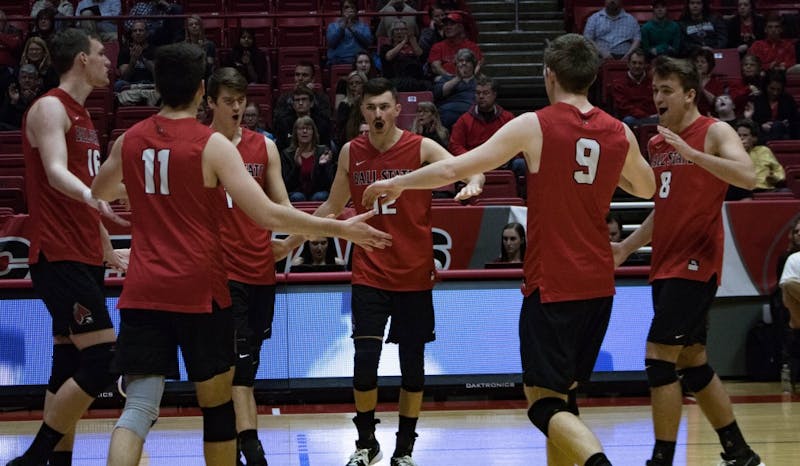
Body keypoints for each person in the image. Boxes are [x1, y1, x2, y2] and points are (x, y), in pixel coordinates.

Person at [90, 42, 390, 466]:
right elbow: (268, 213)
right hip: (202, 290)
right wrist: (339, 228)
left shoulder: (128, 140)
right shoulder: (211, 145)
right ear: (201, 92)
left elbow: (99, 192)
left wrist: (135, 191)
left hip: (144, 290)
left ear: (157, 87)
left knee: (138, 410)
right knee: (216, 409)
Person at [362, 34, 656, 466]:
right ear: (593, 78)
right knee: (563, 397)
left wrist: (398, 182)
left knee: (541, 403)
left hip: (552, 282)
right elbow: (646, 187)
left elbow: (459, 167)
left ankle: (598, 463)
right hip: (599, 285)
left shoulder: (536, 124)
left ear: (549, 75)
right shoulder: (620, 132)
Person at [284, 77, 483, 466]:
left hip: (413, 272)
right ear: (363, 111)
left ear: (396, 111)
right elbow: (330, 209)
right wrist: (290, 242)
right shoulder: (349, 152)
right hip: (370, 271)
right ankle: (366, 443)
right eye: (371, 107)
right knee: (364, 360)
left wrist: (475, 181)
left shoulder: (419, 146)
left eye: (384, 107)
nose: (377, 114)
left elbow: (464, 167)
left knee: (413, 365)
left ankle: (405, 449)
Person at [612, 55, 762, 466]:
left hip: (697, 261)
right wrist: (626, 248)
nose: (656, 97)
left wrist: (693, 155)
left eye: (666, 90)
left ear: (690, 94)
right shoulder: (658, 143)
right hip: (665, 263)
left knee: (658, 360)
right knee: (694, 362)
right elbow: (664, 205)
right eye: (654, 90)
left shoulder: (715, 131)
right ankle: (741, 453)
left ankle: (661, 459)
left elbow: (748, 177)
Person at [8, 28, 128, 466]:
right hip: (57, 256)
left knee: (65, 365)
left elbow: (83, 195)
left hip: (81, 253)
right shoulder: (48, 109)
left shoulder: (84, 116)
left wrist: (106, 248)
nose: (107, 61)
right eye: (101, 54)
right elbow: (57, 171)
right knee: (101, 361)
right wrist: (92, 197)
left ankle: (58, 462)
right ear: (80, 58)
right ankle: (33, 459)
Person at [206, 66, 292, 466]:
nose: (237, 107)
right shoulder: (201, 145)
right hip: (223, 274)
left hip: (261, 272)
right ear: (211, 102)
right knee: (238, 368)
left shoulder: (265, 147)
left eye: (241, 100)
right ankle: (251, 447)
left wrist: (289, 244)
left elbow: (285, 209)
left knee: (248, 366)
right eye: (228, 101)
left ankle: (239, 443)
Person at [280, 115, 336, 202]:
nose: (305, 131)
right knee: (298, 197)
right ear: (295, 133)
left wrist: (322, 167)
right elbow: (286, 185)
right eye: (301, 129)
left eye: (308, 128)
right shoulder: (287, 154)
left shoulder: (323, 151)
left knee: (319, 196)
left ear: (313, 132)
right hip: (296, 193)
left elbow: (329, 184)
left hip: (317, 192)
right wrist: (297, 167)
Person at [736, 118, 785, 194]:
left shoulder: (764, 151)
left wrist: (774, 177)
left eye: (745, 135)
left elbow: (779, 171)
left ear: (754, 138)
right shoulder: (732, 153)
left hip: (767, 190)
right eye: (738, 135)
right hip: (742, 192)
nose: (741, 138)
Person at [427, 12, 482, 80]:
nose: (448, 27)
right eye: (446, 25)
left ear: (461, 27)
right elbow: (436, 67)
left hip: (468, 80)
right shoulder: (437, 46)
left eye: (452, 24)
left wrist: (468, 79)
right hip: (446, 80)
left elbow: (478, 65)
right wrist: (453, 79)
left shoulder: (472, 46)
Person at [611, 49, 658, 126]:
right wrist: (643, 115)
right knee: (628, 120)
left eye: (640, 63)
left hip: (652, 116)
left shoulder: (652, 81)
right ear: (628, 64)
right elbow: (623, 107)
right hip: (633, 117)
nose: (637, 66)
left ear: (645, 65)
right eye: (634, 63)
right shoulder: (619, 83)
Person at [433, 48, 478, 129]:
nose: (464, 63)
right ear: (456, 64)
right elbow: (439, 93)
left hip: (472, 115)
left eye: (467, 61)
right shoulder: (445, 79)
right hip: (448, 114)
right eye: (460, 61)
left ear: (473, 64)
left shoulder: (480, 82)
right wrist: (458, 78)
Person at [751, 70, 799, 142]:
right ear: (766, 86)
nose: (775, 93)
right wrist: (761, 126)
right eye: (772, 89)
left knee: (778, 126)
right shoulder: (757, 99)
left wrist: (787, 123)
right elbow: (752, 121)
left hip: (784, 134)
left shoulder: (788, 99)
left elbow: (795, 120)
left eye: (778, 90)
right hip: (762, 134)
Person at [326, 0, 372, 66]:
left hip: (358, 63)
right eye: (346, 7)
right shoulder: (332, 26)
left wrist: (352, 29)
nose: (349, 10)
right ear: (342, 11)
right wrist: (344, 24)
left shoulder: (364, 26)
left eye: (352, 7)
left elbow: (367, 43)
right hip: (337, 61)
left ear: (356, 11)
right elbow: (332, 43)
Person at [183, 14, 216, 79]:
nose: (194, 26)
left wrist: (201, 50)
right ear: (187, 28)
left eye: (196, 24)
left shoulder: (209, 45)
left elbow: (209, 67)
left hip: (205, 77)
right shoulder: (183, 46)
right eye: (191, 24)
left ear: (201, 26)